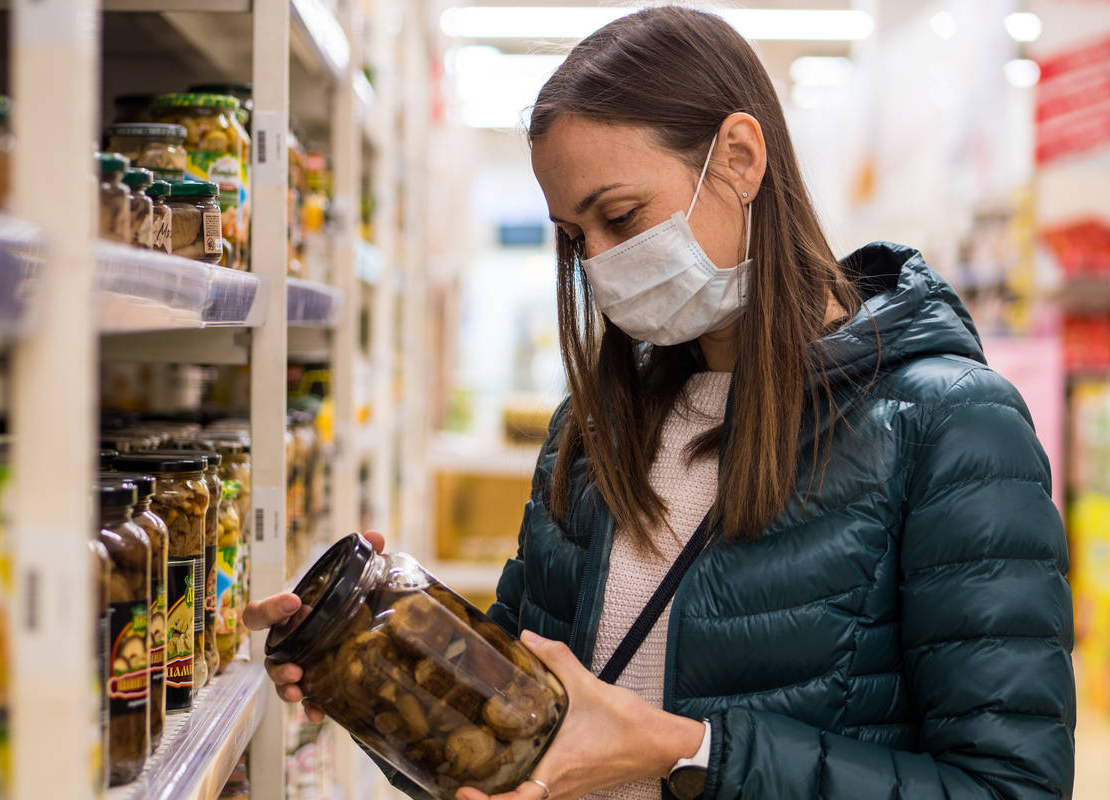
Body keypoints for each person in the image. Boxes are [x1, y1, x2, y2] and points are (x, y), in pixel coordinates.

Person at [244, 6, 1075, 800]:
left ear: (740, 159)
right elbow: (511, 740)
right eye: (575, 237)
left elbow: (1010, 784)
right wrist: (372, 665)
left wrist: (690, 752)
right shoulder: (596, 430)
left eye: (619, 215)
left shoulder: (950, 426)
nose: (599, 264)